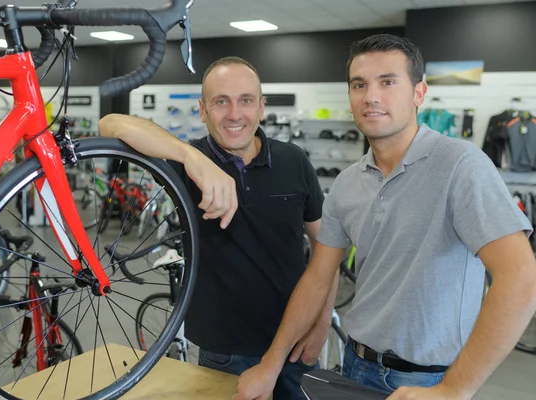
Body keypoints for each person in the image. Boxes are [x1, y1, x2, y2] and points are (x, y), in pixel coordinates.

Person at [233, 33, 536, 400]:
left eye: (388, 82)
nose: (371, 96)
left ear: (418, 93)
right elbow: (317, 278)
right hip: (355, 366)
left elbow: (521, 276)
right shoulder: (346, 184)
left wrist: (455, 389)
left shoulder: (461, 165)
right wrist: (272, 362)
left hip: (428, 381)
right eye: (359, 84)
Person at [99, 56, 335, 399]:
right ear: (202, 109)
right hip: (225, 352)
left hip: (295, 343)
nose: (234, 113)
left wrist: (322, 320)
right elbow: (109, 123)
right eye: (220, 101)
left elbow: (326, 247)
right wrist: (191, 157)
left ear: (262, 107)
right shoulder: (183, 166)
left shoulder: (294, 160)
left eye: (246, 100)